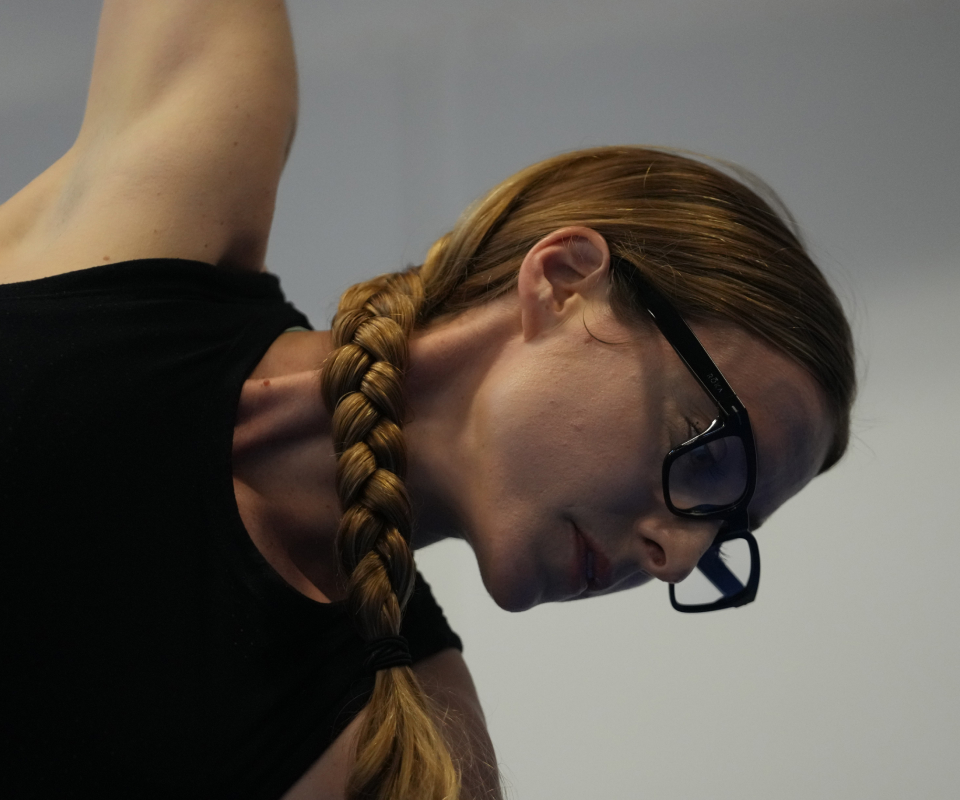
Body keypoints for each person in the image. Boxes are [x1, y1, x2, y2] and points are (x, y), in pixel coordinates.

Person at [0, 2, 855, 799]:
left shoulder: (409, 759)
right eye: (704, 457)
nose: (676, 556)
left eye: (722, 536)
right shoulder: (169, 198)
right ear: (565, 283)